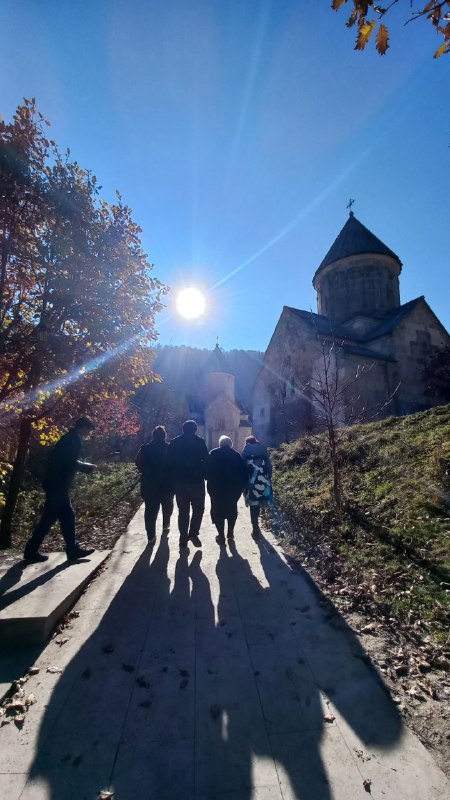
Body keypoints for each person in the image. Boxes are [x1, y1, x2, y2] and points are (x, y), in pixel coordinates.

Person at [23, 417, 97, 563]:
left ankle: (72, 549)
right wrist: (86, 467)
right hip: (57, 484)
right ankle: (32, 551)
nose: (90, 432)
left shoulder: (71, 438)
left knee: (67, 517)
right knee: (49, 519)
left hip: (56, 484)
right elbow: (69, 462)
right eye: (89, 429)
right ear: (82, 427)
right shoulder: (71, 440)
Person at [167, 419, 209, 549]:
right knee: (199, 509)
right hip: (197, 482)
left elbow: (168, 462)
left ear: (183, 430)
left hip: (180, 482)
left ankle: (183, 537)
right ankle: (193, 533)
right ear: (195, 430)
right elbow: (206, 460)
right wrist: (206, 475)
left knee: (183, 511)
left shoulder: (174, 442)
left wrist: (172, 480)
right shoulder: (200, 442)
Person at [207, 435, 248, 546]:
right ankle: (230, 533)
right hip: (233, 489)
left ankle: (221, 536)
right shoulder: (236, 455)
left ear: (220, 444)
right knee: (231, 509)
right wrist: (242, 486)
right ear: (230, 444)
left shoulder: (213, 453)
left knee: (217, 510)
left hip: (216, 488)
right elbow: (244, 472)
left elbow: (207, 470)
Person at [135, 425, 174, 544]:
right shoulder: (170, 448)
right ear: (164, 436)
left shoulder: (145, 448)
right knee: (167, 507)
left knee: (150, 511)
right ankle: (166, 525)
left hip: (149, 483)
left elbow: (138, 462)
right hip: (167, 484)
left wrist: (146, 471)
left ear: (153, 436)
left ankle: (151, 536)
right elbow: (175, 464)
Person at [241, 435, 272, 539]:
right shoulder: (263, 449)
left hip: (251, 482)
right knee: (260, 503)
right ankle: (258, 526)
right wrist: (268, 479)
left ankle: (255, 529)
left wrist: (243, 483)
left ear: (247, 442)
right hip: (263, 481)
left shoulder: (246, 450)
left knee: (253, 506)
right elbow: (269, 466)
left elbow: (242, 467)